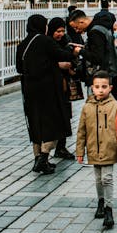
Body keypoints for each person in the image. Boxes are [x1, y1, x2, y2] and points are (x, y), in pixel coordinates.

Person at [16, 14, 78, 174]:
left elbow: (19, 68)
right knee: (54, 123)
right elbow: (62, 55)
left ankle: (37, 159)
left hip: (29, 90)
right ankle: (43, 158)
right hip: (48, 90)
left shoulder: (23, 44)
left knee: (35, 123)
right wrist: (73, 51)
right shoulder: (44, 41)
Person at [76, 70, 117, 229]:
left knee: (107, 178)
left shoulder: (116, 106)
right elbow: (81, 130)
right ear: (92, 88)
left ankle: (109, 208)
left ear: (110, 88)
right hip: (93, 149)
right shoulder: (87, 108)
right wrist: (80, 151)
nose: (100, 90)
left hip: (109, 148)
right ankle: (101, 202)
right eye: (97, 87)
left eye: (104, 86)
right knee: (98, 179)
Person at [46, 17, 77, 160]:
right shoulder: (48, 44)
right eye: (57, 31)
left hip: (65, 84)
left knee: (66, 114)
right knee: (56, 115)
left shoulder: (66, 42)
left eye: (62, 31)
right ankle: (51, 147)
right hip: (52, 85)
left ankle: (61, 146)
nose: (60, 34)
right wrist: (59, 65)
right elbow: (45, 62)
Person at [68, 9, 117, 88]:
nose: (76, 31)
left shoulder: (95, 33)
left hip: (101, 77)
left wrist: (80, 51)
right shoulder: (101, 27)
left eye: (76, 27)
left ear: (81, 22)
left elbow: (97, 57)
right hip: (109, 73)